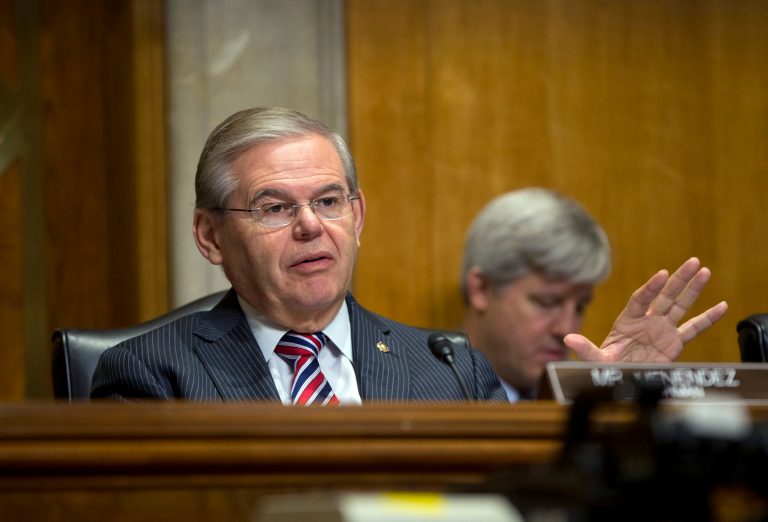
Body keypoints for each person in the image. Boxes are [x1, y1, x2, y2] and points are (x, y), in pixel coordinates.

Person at [91, 107, 727, 403]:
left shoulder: (452, 370)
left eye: (329, 201)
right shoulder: (152, 375)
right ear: (209, 237)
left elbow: (527, 495)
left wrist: (609, 393)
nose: (311, 226)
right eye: (274, 207)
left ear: (358, 217)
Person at [460, 188, 727, 401]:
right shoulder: (435, 397)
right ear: (481, 289)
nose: (566, 329)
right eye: (547, 302)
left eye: (580, 307)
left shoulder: (583, 405)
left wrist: (625, 392)